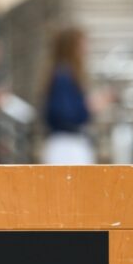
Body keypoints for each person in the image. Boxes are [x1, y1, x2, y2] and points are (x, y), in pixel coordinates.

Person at [42, 27, 96, 164]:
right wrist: (88, 106)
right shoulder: (63, 76)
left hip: (69, 143)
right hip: (66, 145)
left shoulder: (65, 74)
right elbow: (63, 114)